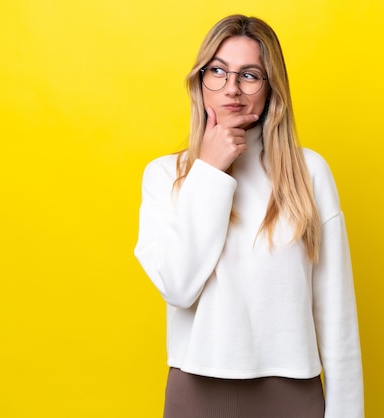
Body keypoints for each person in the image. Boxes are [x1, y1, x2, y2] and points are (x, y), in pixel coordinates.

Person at [134, 14, 363, 418]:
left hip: (292, 390)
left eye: (250, 75)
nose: (231, 89)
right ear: (200, 80)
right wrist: (208, 170)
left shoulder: (308, 173)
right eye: (218, 71)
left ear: (272, 87)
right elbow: (178, 286)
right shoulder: (165, 176)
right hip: (195, 388)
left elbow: (336, 310)